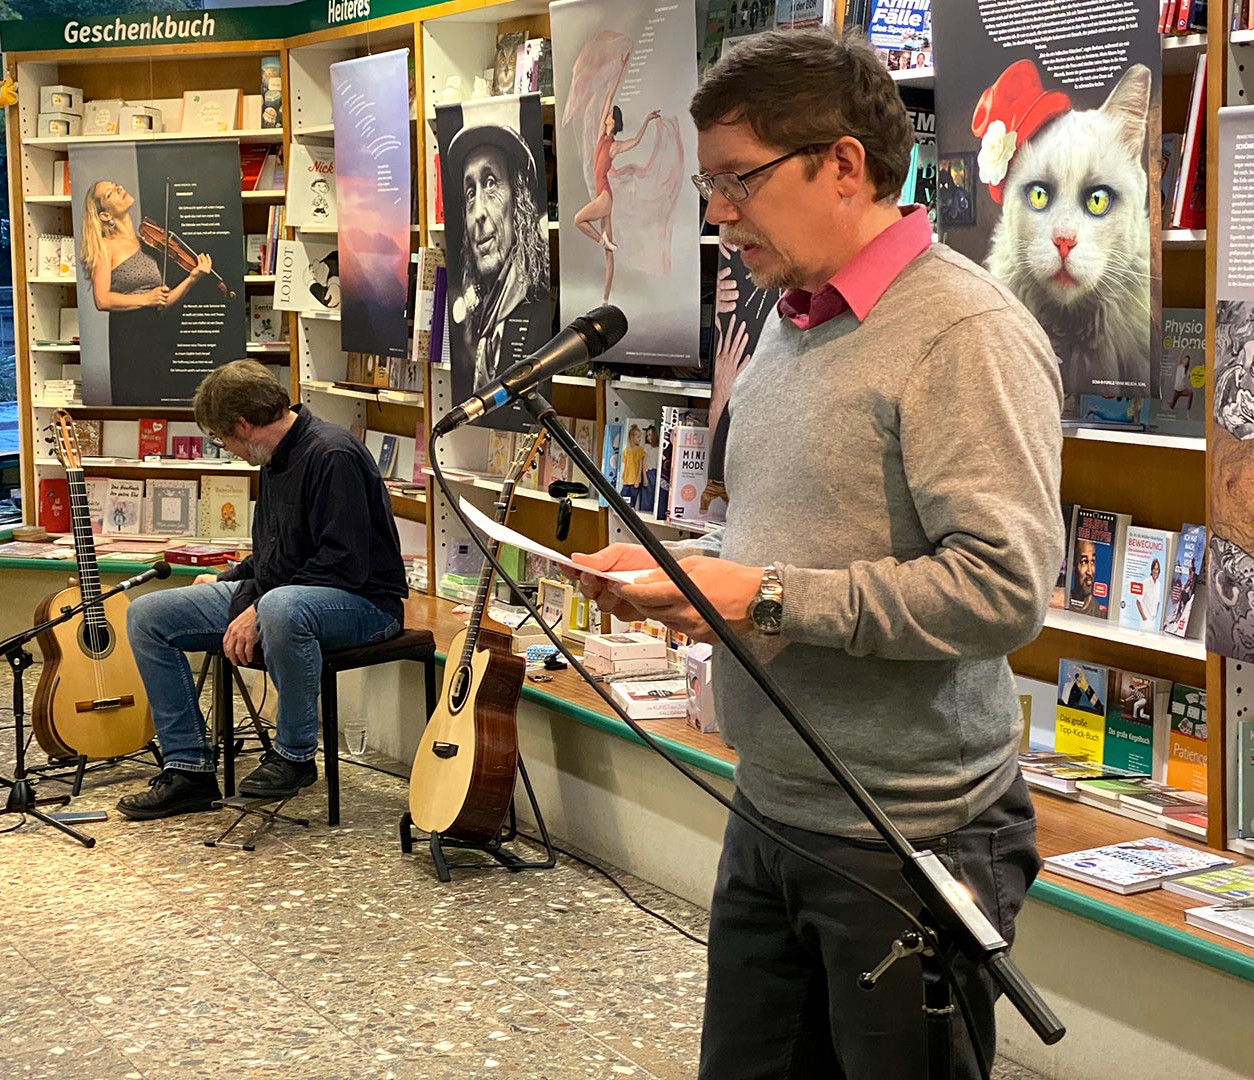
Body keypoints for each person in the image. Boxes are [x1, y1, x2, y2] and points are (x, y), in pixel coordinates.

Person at [571, 28, 1062, 1080]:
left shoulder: (964, 334)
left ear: (843, 165)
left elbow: (1005, 589)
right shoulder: (788, 322)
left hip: (908, 832)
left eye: (738, 180)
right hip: (775, 806)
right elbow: (780, 535)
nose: (716, 211)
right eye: (710, 184)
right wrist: (685, 573)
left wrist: (764, 597)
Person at [117, 361, 408, 819]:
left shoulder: (332, 455)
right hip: (282, 595)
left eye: (221, 439)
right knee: (149, 615)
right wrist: (230, 580)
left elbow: (344, 564)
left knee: (281, 608)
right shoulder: (274, 458)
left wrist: (258, 607)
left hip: (364, 603)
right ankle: (189, 767)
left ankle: (294, 754)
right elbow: (277, 554)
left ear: (243, 425)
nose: (225, 449)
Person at [445, 123, 551, 390]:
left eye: (490, 183)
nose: (478, 212)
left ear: (518, 200)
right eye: (471, 193)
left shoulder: (541, 310)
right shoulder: (477, 318)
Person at [570, 52, 663, 304]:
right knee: (609, 255)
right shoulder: (603, 135)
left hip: (605, 196)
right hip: (602, 194)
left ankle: (604, 241)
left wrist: (646, 121)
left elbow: (636, 141)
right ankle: (606, 300)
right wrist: (621, 68)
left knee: (579, 219)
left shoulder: (614, 145)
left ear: (614, 120)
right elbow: (609, 96)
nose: (606, 114)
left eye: (610, 114)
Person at [79, 180, 210, 313]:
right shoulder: (106, 246)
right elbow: (102, 300)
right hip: (128, 330)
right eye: (109, 193)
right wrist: (146, 298)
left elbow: (161, 302)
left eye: (115, 185)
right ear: (105, 215)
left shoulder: (146, 244)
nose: (119, 188)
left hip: (154, 329)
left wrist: (192, 279)